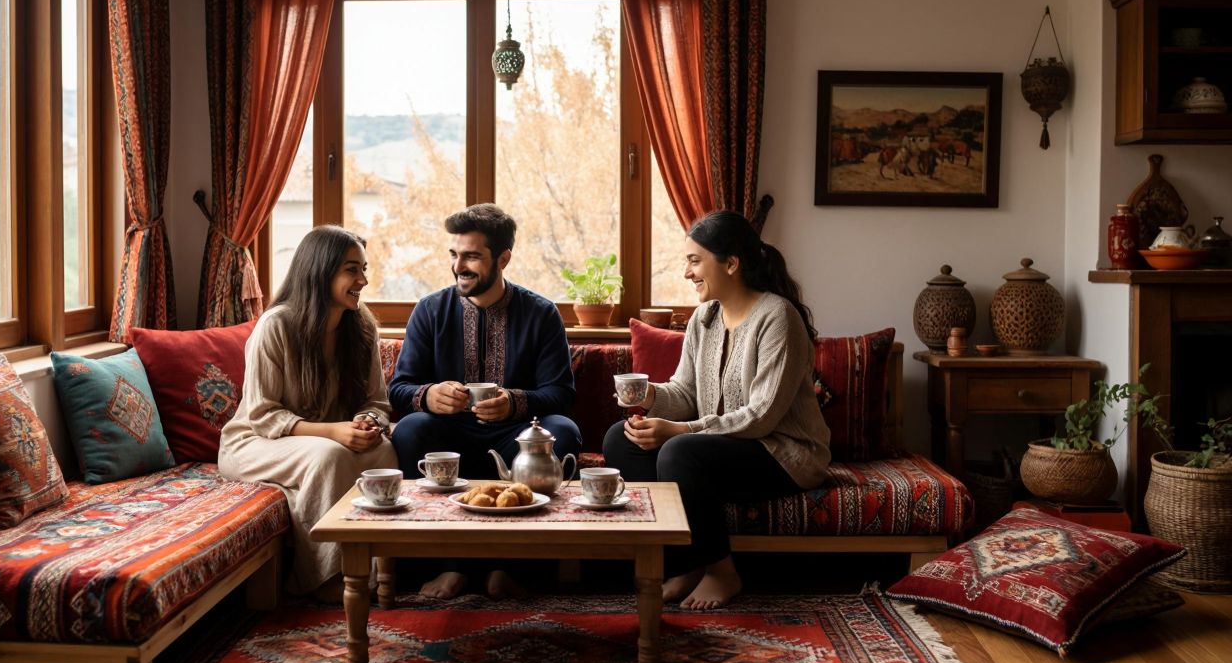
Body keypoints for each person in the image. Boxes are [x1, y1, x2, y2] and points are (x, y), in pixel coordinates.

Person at [603, 210, 830, 610]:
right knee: (620, 441)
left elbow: (762, 416)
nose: (688, 273)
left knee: (679, 450)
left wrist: (680, 431)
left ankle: (722, 572)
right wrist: (648, 396)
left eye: (695, 261)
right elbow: (685, 392)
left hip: (784, 452)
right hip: (723, 450)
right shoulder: (703, 319)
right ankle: (686, 563)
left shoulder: (778, 317)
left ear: (731, 263)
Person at [390, 203, 580, 599]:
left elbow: (561, 394)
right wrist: (430, 396)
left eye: (472, 256)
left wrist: (515, 402)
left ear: (503, 258)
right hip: (449, 432)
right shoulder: (430, 310)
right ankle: (451, 566)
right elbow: (399, 388)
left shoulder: (541, 313)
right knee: (411, 429)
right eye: (454, 255)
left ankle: (510, 567)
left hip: (515, 435)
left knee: (562, 432)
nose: (459, 265)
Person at [219, 225, 397, 603]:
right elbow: (264, 415)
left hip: (324, 437)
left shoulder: (361, 326)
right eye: (352, 269)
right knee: (328, 456)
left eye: (364, 269)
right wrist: (334, 432)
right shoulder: (276, 326)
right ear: (321, 270)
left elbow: (377, 402)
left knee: (382, 453)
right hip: (256, 442)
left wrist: (370, 423)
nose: (362, 280)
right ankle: (325, 577)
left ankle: (383, 570)